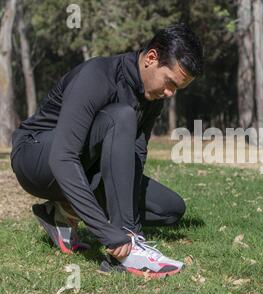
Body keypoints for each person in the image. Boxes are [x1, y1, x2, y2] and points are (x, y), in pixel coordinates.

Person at [9, 24, 203, 278]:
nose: (169, 93)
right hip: (36, 158)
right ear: (151, 58)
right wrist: (110, 234)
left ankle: (61, 211)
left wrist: (130, 224)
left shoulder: (152, 96)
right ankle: (126, 253)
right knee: (120, 116)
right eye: (169, 82)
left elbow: (135, 157)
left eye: (177, 88)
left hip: (85, 165)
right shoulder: (98, 75)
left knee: (169, 208)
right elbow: (63, 157)